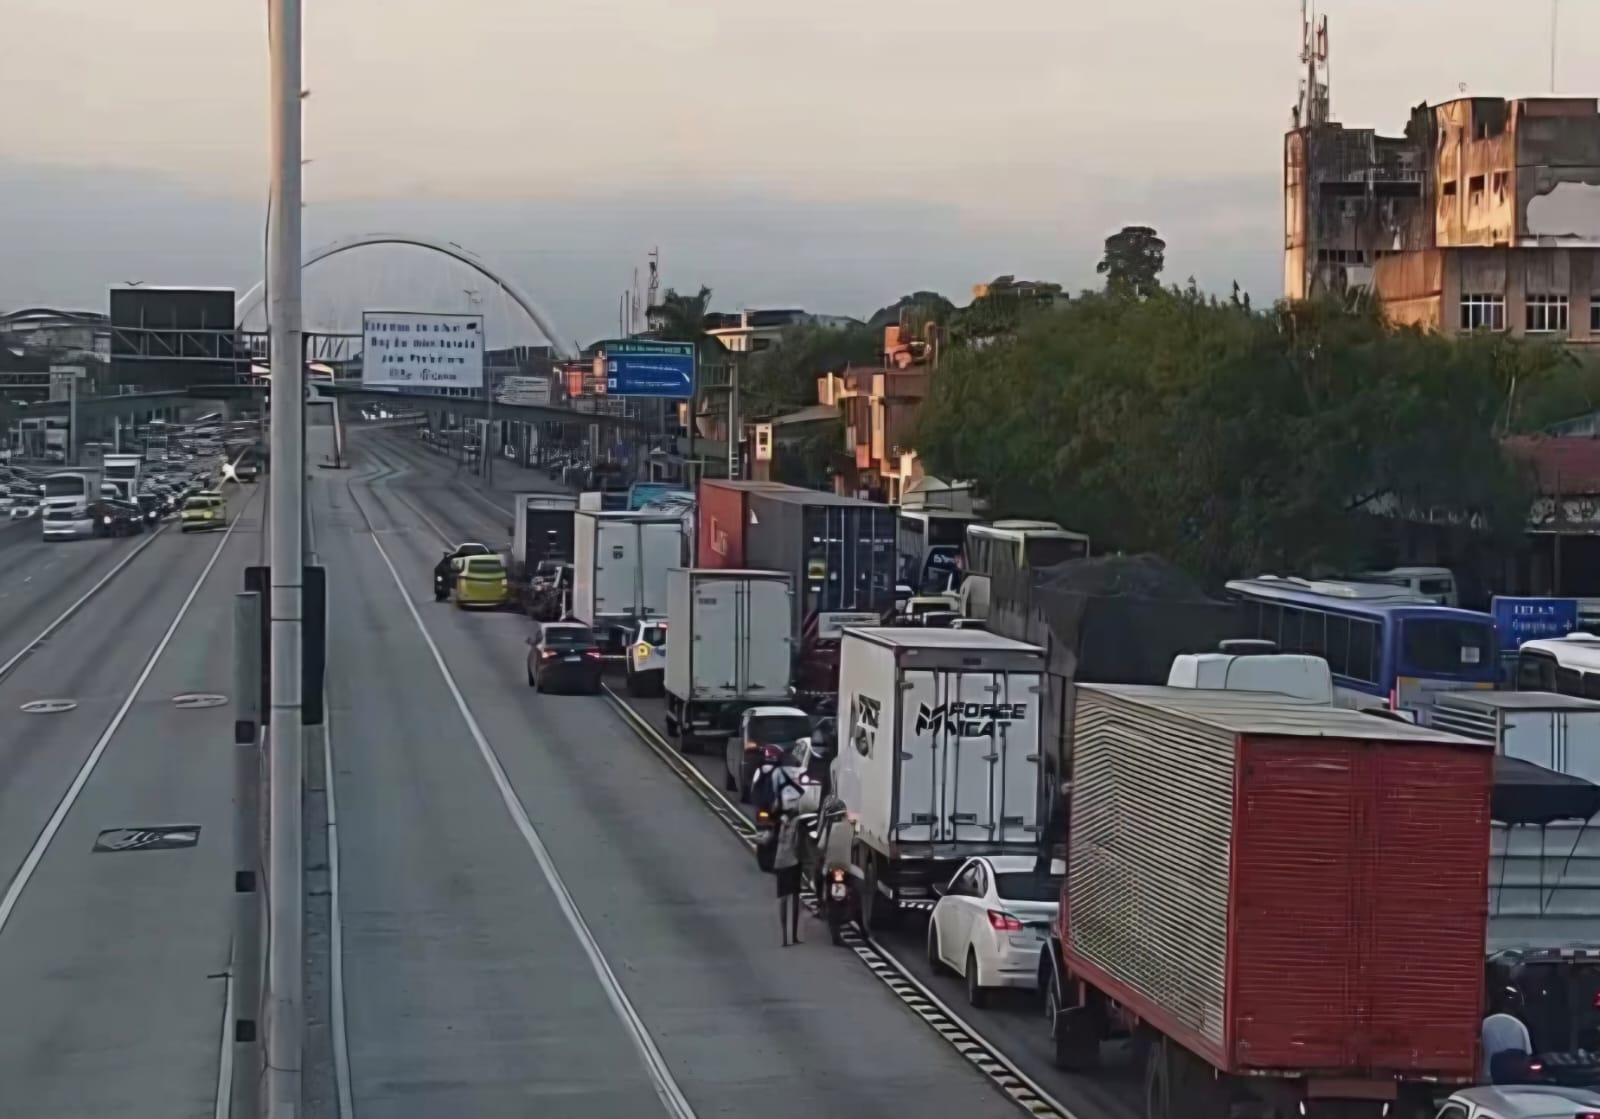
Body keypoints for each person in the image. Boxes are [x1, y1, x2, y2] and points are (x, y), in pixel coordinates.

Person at [773, 807, 803, 946]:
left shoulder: (782, 822)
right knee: (795, 896)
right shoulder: (798, 823)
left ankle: (784, 938)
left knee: (783, 898)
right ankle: (794, 936)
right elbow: (797, 845)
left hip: (780, 862)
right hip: (793, 862)